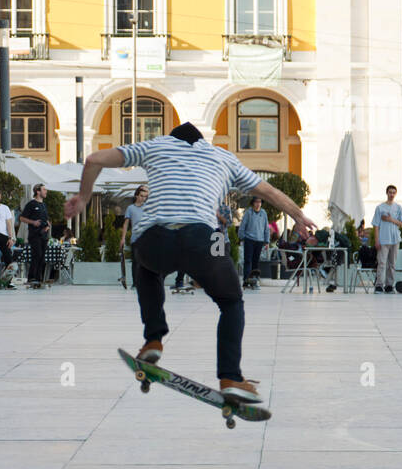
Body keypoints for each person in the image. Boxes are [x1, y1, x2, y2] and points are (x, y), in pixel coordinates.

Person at [64, 121, 315, 402]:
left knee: (143, 259)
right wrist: (298, 216)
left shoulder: (156, 146)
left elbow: (93, 159)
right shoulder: (223, 157)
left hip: (154, 240)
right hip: (203, 240)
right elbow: (268, 191)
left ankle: (154, 338)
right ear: (203, 143)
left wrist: (84, 198)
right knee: (231, 301)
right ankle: (230, 376)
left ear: (171, 138)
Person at [371, 185, 402, 293]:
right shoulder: (380, 207)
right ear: (386, 193)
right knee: (381, 263)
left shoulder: (398, 207)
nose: (391, 194)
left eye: (393, 192)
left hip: (395, 239)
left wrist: (391, 219)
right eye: (390, 192)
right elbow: (376, 225)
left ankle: (389, 285)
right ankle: (379, 285)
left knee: (392, 264)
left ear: (395, 194)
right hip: (383, 239)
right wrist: (377, 240)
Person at [20, 183, 51, 288]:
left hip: (44, 235)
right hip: (34, 235)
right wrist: (33, 222)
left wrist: (48, 225)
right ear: (38, 191)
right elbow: (22, 218)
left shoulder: (44, 205)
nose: (46, 191)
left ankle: (39, 278)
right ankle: (31, 277)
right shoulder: (31, 204)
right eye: (44, 189)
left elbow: (46, 219)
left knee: (42, 257)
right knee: (36, 255)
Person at [119, 186, 149, 288]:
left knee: (146, 263)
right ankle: (135, 283)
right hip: (135, 238)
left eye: (145, 196)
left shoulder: (147, 207)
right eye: (141, 196)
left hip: (146, 239)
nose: (143, 198)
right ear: (136, 195)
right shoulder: (130, 208)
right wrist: (123, 238)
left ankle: (145, 282)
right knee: (135, 262)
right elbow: (126, 224)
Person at [239, 196, 268, 282]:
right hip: (249, 239)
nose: (258, 204)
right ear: (253, 203)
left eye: (260, 202)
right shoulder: (248, 213)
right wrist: (242, 237)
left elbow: (266, 228)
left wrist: (267, 241)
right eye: (256, 202)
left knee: (256, 261)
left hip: (260, 240)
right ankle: (246, 279)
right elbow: (242, 226)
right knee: (248, 260)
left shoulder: (263, 213)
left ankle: (254, 279)